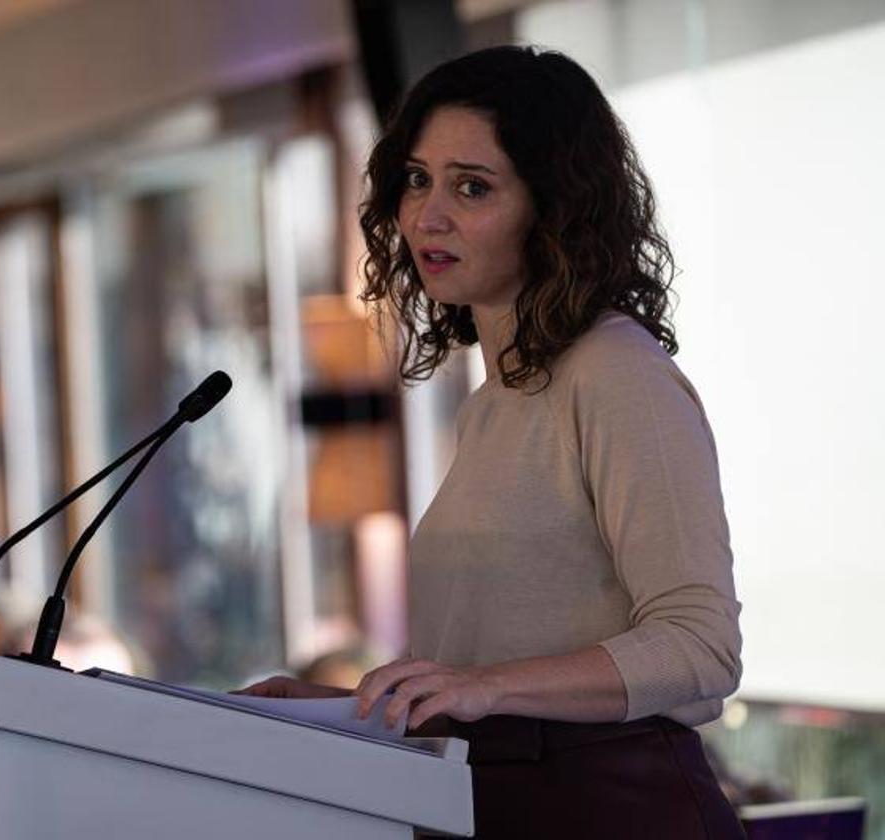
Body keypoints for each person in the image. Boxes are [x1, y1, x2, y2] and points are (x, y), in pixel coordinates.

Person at [241, 45, 744, 838]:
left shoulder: (617, 374)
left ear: (554, 208)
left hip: (612, 804)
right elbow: (481, 672)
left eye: (472, 187)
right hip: (496, 799)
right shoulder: (495, 401)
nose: (427, 216)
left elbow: (701, 647)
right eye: (417, 179)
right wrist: (349, 707)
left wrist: (485, 687)